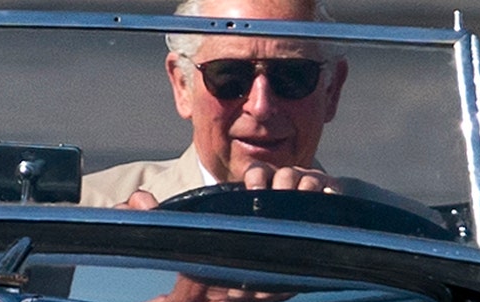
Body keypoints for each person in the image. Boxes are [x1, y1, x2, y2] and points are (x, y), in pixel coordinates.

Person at [82, 0, 368, 209]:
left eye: (293, 76)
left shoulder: (391, 233)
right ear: (182, 85)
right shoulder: (83, 215)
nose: (261, 106)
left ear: (331, 90)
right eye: (229, 77)